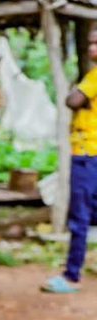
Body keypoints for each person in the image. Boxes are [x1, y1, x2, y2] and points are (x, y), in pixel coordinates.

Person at [43, 28, 97, 293]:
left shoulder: (94, 77)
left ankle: (71, 275)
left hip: (88, 155)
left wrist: (78, 96)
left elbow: (72, 100)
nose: (92, 49)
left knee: (81, 216)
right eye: (90, 43)